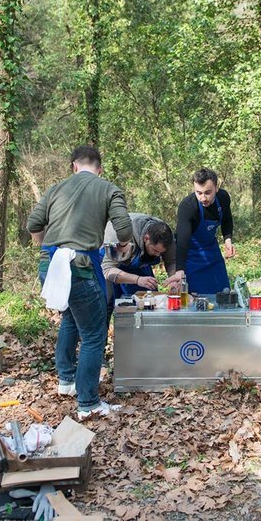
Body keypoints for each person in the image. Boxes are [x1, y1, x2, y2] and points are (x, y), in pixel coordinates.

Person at [27, 145, 133, 420]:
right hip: (79, 268)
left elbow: (33, 224)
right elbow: (124, 229)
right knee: (94, 334)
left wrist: (49, 248)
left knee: (72, 320)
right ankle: (88, 403)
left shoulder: (55, 189)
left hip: (49, 266)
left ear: (74, 165)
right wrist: (122, 246)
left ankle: (66, 381)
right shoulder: (108, 189)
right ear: (100, 168)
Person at [174, 168, 235, 294]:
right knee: (195, 299)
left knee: (223, 293)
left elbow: (227, 220)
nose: (203, 198)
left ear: (216, 188)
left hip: (212, 251)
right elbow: (182, 241)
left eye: (208, 192)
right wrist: (180, 270)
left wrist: (227, 240)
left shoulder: (223, 198)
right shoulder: (187, 207)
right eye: (199, 193)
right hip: (191, 255)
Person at [101, 213, 182, 305]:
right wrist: (137, 279)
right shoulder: (120, 235)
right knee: (109, 301)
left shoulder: (167, 237)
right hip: (112, 257)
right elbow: (108, 270)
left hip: (140, 261)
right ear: (146, 238)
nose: (157, 255)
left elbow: (171, 261)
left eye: (161, 252)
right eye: (155, 250)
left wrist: (173, 280)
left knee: (149, 298)